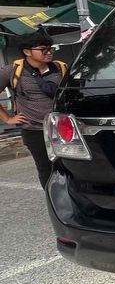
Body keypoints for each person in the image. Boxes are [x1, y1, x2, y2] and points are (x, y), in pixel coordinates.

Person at [0, 29, 68, 187]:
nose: (49, 52)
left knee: (69, 165)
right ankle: (54, 202)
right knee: (45, 168)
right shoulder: (12, 71)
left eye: (50, 48)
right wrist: (8, 118)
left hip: (63, 129)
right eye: (43, 49)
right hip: (34, 130)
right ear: (27, 51)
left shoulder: (60, 68)